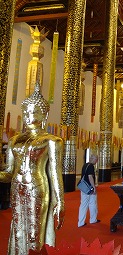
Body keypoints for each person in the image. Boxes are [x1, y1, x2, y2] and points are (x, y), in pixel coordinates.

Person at [0, 83, 65, 254]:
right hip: (16, 187)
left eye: (33, 111)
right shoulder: (15, 140)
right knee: (18, 228)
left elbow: (55, 172)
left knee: (35, 232)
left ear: (44, 114)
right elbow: (8, 172)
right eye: (26, 112)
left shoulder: (51, 140)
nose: (28, 116)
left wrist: (60, 201)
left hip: (37, 188)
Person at [78, 154, 100, 227]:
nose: (97, 161)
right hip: (89, 188)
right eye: (96, 159)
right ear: (93, 159)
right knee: (91, 203)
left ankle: (81, 222)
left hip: (84, 188)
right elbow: (90, 177)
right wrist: (94, 187)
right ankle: (92, 220)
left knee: (86, 204)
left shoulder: (85, 165)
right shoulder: (91, 166)